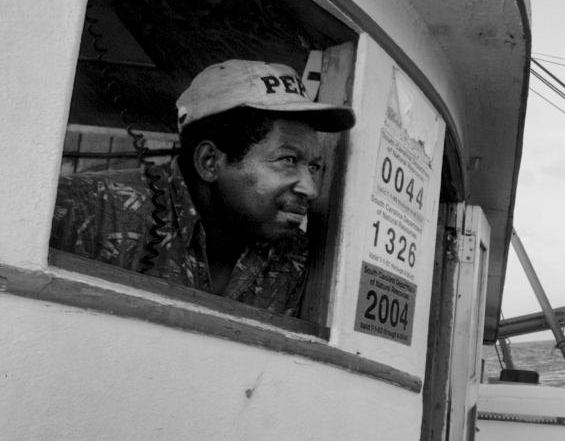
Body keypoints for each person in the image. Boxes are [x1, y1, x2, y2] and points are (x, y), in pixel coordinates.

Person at [50, 59, 355, 316]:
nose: (311, 189)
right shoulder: (83, 210)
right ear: (210, 161)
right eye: (288, 159)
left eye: (313, 166)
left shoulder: (293, 255)